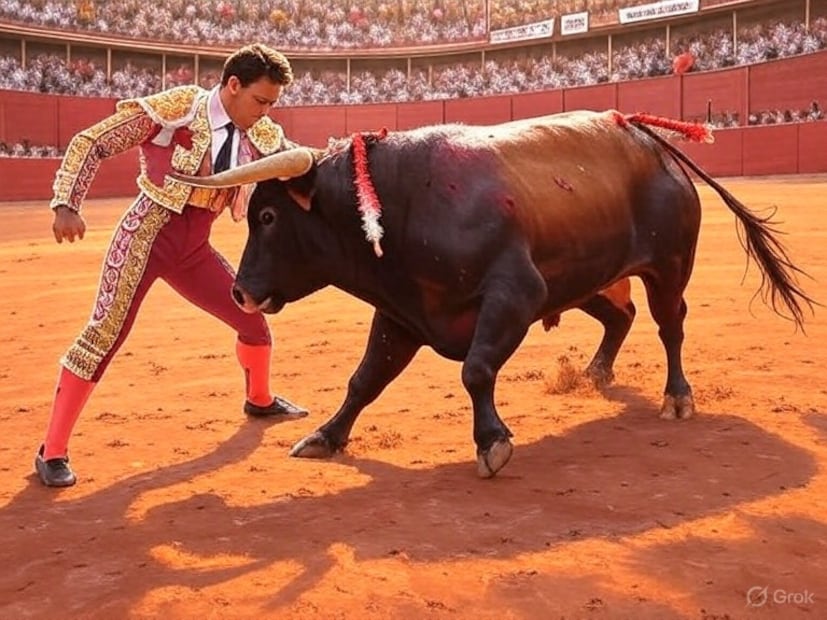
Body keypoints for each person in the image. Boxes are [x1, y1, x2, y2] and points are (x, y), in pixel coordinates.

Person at [35, 43, 308, 487]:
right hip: (146, 235)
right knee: (103, 334)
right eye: (261, 101)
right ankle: (52, 451)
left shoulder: (263, 134)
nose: (266, 113)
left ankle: (259, 399)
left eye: (273, 104)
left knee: (251, 316)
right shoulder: (179, 108)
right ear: (233, 86)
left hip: (194, 247)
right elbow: (94, 140)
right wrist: (66, 202)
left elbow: (298, 161)